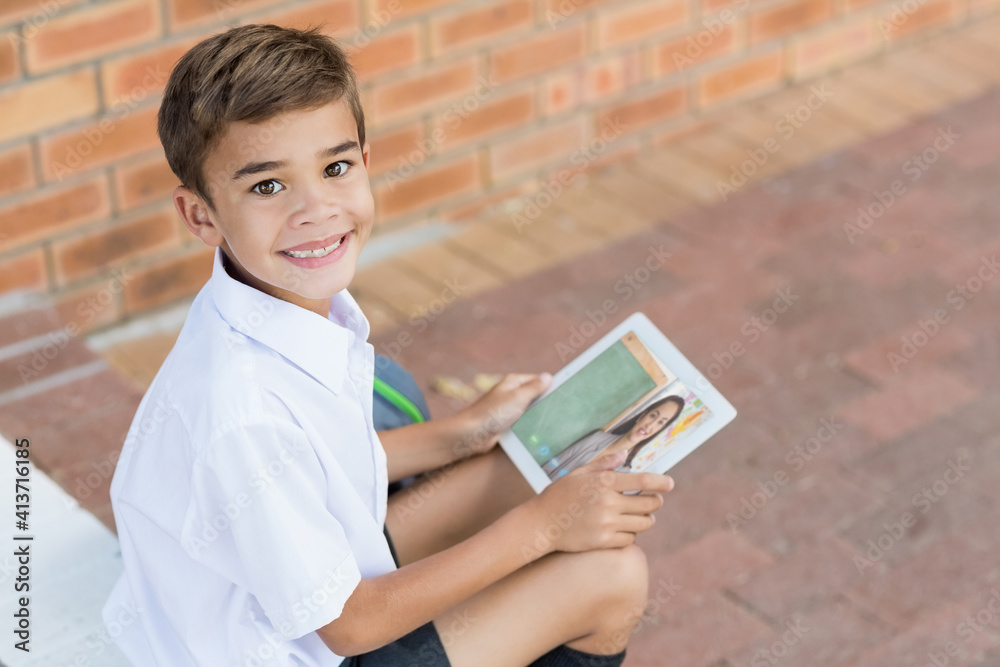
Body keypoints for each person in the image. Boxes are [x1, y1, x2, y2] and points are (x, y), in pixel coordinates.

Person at [101, 24, 674, 667]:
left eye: (335, 167)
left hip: (296, 589)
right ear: (201, 214)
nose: (315, 208)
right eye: (268, 186)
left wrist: (463, 432)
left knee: (520, 465)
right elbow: (345, 627)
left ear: (365, 162)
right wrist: (542, 530)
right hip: (311, 644)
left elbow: (314, 464)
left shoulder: (264, 305)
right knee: (609, 577)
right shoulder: (240, 408)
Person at [543, 396, 686, 480]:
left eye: (661, 422)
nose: (651, 425)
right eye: (653, 415)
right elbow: (550, 466)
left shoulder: (624, 474)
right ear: (642, 416)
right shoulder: (597, 438)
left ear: (659, 430)